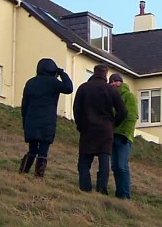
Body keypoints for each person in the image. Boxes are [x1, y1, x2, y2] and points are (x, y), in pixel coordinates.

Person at [72, 64, 127, 194]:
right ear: (105, 75)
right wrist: (113, 124)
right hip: (105, 130)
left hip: (88, 128)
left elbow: (76, 109)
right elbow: (123, 111)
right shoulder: (111, 90)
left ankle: (85, 188)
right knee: (104, 160)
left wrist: (80, 125)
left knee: (84, 161)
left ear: (94, 73)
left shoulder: (83, 88)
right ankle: (102, 189)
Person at [19, 58, 73, 177]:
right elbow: (69, 88)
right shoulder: (53, 83)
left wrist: (24, 120)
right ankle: (38, 176)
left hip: (31, 119)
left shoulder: (31, 82)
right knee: (43, 150)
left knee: (32, 149)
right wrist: (62, 73)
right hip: (47, 122)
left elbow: (25, 104)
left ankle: (23, 172)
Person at [109, 73, 138, 199]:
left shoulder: (129, 96)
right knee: (115, 166)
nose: (113, 84)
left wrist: (126, 133)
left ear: (120, 82)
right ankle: (119, 193)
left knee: (122, 165)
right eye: (111, 82)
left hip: (124, 137)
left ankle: (125, 194)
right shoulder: (111, 98)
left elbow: (132, 116)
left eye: (115, 81)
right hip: (112, 135)